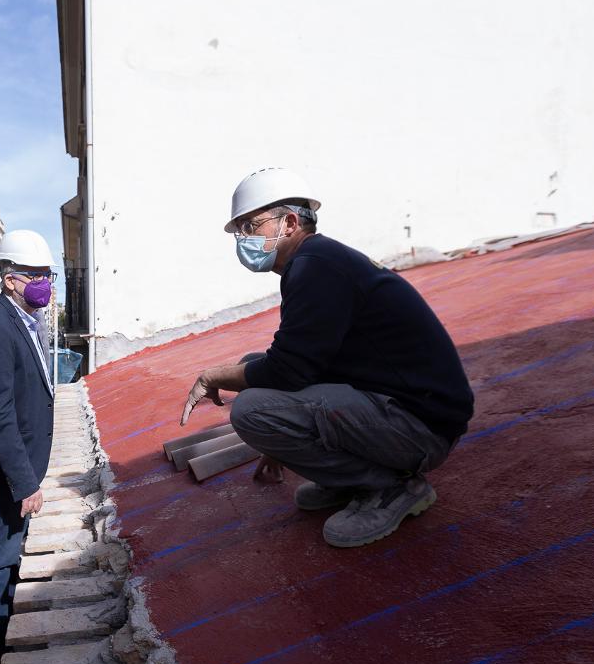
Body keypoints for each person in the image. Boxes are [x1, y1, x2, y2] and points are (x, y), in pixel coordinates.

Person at [180, 168, 474, 548]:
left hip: (421, 428)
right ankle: (351, 479)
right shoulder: (316, 260)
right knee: (254, 366)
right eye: (240, 231)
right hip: (403, 410)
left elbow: (288, 371)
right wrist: (279, 439)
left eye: (250, 226)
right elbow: (297, 362)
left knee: (251, 410)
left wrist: (211, 376)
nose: (244, 240)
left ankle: (391, 488)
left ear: (288, 222)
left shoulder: (316, 266)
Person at [0, 229, 56, 664]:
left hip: (18, 473)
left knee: (6, 560)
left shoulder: (24, 321)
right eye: (33, 275)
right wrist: (23, 482)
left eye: (47, 274)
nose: (44, 283)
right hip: (3, 479)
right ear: (8, 279)